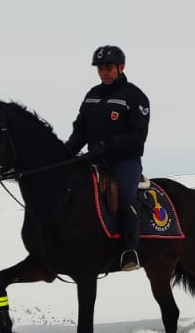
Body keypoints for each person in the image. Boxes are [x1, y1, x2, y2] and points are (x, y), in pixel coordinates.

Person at [64, 45, 151, 271]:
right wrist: (65, 153)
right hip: (94, 158)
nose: (104, 72)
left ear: (121, 67)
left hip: (124, 161)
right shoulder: (92, 95)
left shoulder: (135, 96)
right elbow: (80, 131)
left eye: (109, 67)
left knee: (124, 197)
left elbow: (138, 135)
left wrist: (109, 145)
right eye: (100, 68)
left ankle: (129, 249)